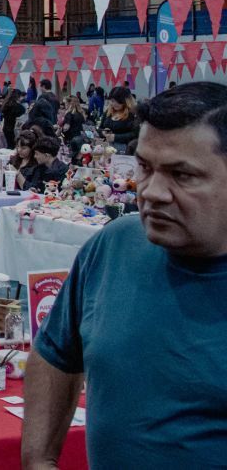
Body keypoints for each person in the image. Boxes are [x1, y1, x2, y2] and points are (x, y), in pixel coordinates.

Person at [22, 83, 227, 468]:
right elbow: (54, 353)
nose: (152, 192)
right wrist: (39, 459)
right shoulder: (114, 246)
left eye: (182, 175)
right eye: (145, 167)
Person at [99, 86, 140, 152]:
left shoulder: (131, 114)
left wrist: (116, 137)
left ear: (125, 102)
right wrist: (103, 132)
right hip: (106, 146)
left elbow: (135, 134)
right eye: (112, 101)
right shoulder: (108, 112)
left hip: (123, 149)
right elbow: (100, 128)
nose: (114, 104)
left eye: (118, 102)